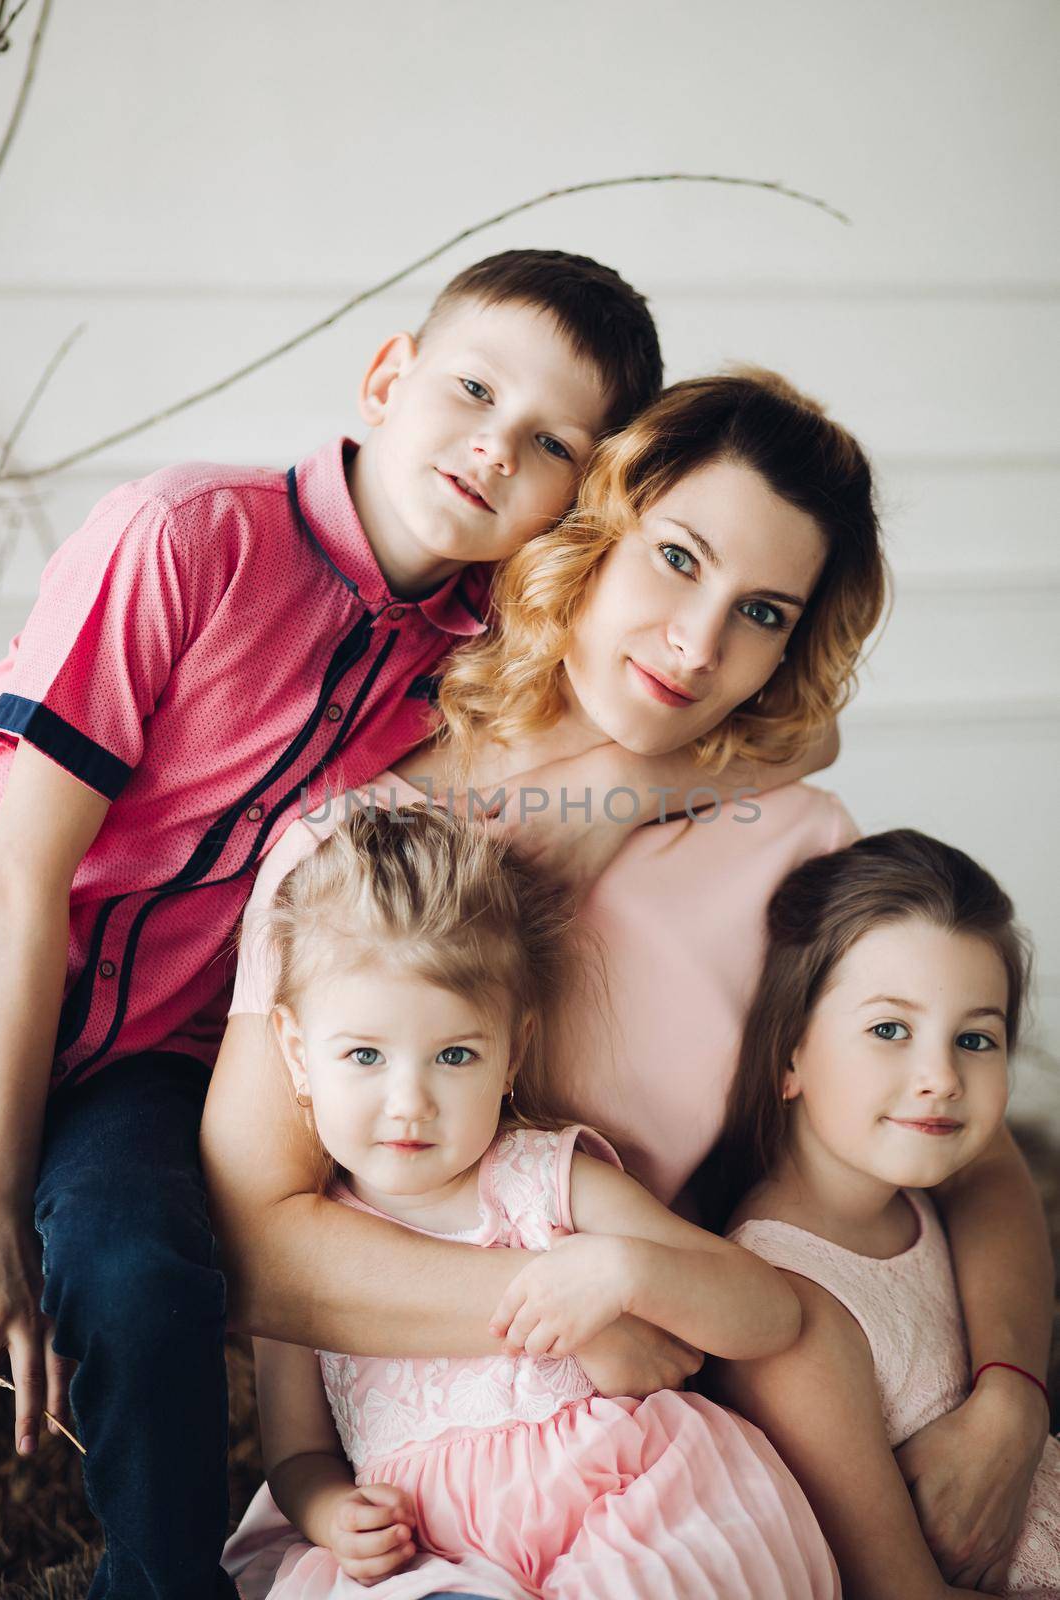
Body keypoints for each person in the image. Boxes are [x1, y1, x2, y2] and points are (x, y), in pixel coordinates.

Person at [204, 369, 1051, 1590]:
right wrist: (582, 1304)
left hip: (690, 1426)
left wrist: (1010, 1395)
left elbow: (959, 1139)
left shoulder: (795, 838)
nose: (697, 644)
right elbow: (257, 1246)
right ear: (592, 532)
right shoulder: (355, 860)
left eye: (762, 613)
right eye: (675, 558)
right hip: (427, 1451)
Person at [0, 248, 671, 1600]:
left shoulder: (477, 660)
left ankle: (162, 1579)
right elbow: (20, 877)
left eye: (548, 443)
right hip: (10, 975)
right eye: (471, 390)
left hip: (151, 1060)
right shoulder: (185, 535)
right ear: (386, 375)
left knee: (137, 1269)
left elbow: (738, 711)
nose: (492, 448)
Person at [223, 804, 840, 1599]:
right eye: (364, 1055)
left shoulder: (542, 1179)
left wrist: (624, 1271)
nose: (408, 1101)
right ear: (297, 1055)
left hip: (619, 1504)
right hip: (433, 1548)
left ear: (512, 1053)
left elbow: (768, 1315)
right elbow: (298, 1454)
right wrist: (333, 1510)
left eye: (453, 1055)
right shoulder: (314, 1253)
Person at [708, 829, 1059, 1599]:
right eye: (889, 1030)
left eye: (975, 1038)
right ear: (789, 1054)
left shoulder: (921, 1205)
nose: (938, 1077)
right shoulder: (788, 1298)